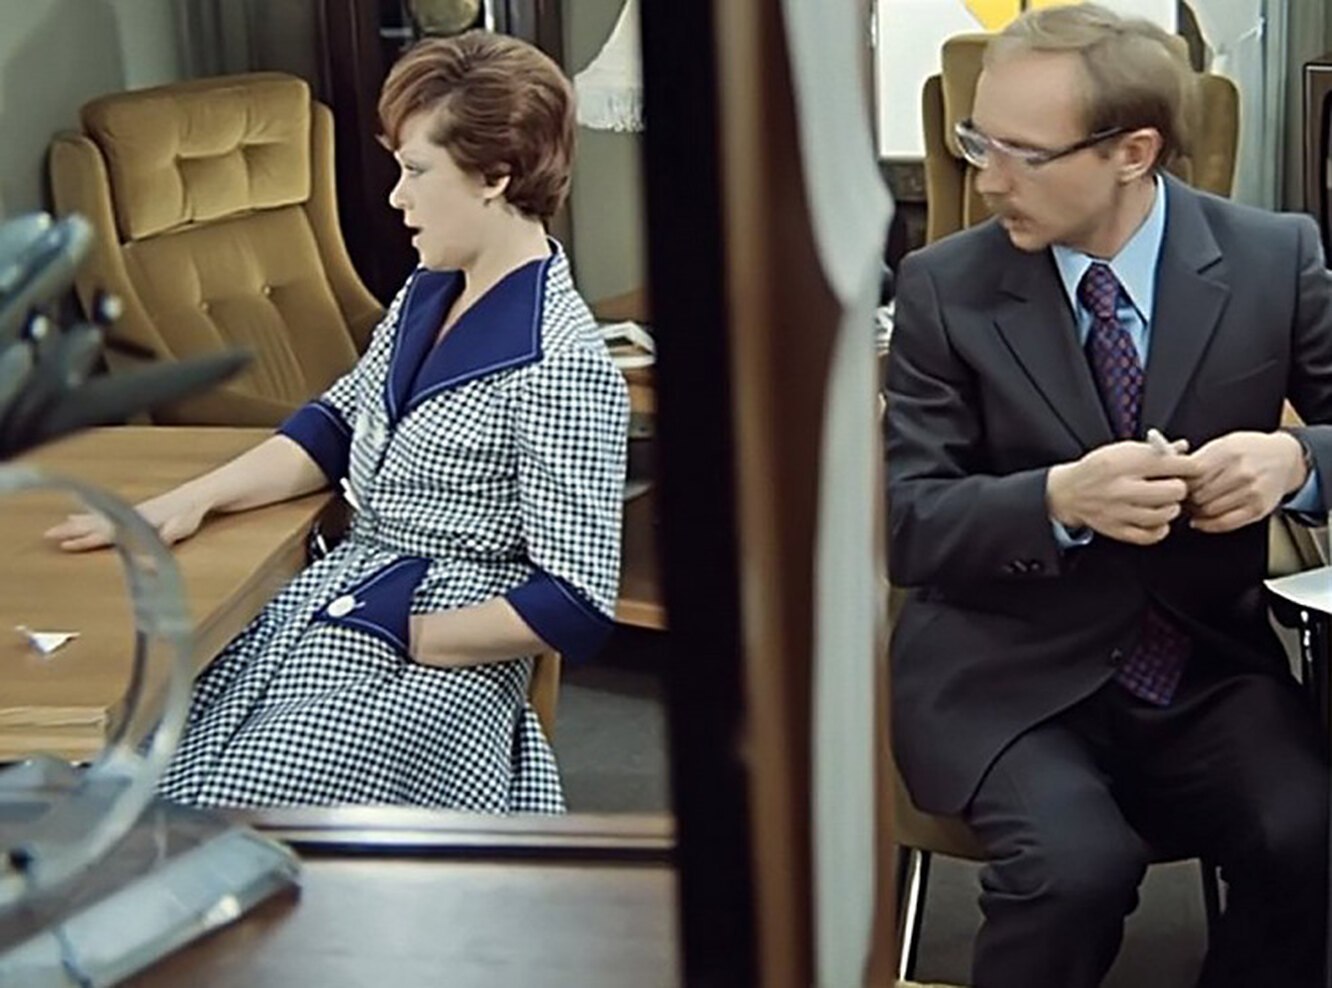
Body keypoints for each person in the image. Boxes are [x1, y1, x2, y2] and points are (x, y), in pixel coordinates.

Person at [45, 31, 629, 813]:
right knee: (129, 772)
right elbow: (334, 424)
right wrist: (189, 501)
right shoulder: (432, 288)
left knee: (210, 816)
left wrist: (408, 632)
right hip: (336, 598)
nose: (396, 198)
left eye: (415, 170)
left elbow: (576, 603)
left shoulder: (560, 363)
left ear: (496, 176)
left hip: (435, 657)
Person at [885, 5, 1330, 986]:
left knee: (1308, 834)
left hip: (1204, 668)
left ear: (1134, 151)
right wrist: (1056, 500)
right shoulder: (943, 287)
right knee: (1073, 869)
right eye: (977, 142)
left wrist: (1296, 463)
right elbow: (906, 520)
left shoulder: (1275, 258)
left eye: (1023, 154)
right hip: (1005, 673)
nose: (986, 179)